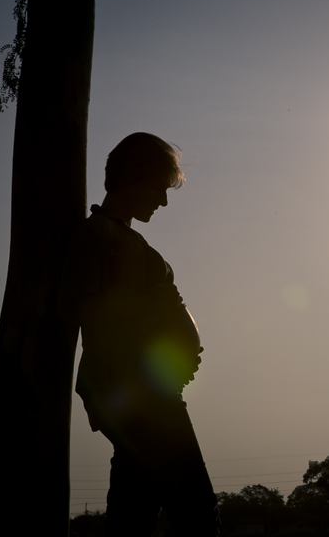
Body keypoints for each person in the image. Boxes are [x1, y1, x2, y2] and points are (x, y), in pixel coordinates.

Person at [59, 133, 219, 536]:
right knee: (196, 509)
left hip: (151, 391)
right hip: (136, 394)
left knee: (136, 506)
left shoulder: (130, 240)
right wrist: (155, 310)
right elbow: (81, 308)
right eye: (158, 189)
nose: (162, 202)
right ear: (133, 176)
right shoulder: (98, 235)